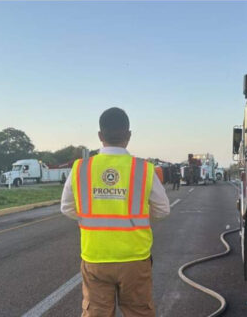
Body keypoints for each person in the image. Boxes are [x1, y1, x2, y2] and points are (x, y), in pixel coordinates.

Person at [61, 107, 170, 317]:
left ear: (100, 136)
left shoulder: (81, 168)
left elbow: (66, 207)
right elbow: (163, 210)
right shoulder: (143, 169)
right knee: (139, 312)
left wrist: (89, 215)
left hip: (95, 257)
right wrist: (136, 217)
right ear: (128, 136)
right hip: (135, 258)